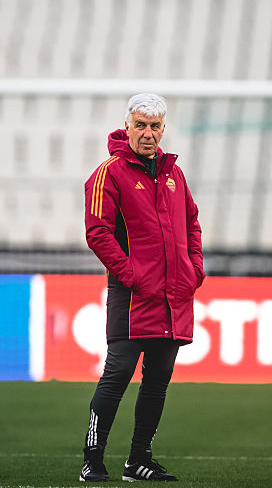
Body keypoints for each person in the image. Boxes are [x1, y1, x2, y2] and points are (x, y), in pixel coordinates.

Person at [79, 93, 205, 483]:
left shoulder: (174, 174)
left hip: (173, 296)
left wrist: (194, 270)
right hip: (132, 296)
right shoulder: (109, 173)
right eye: (140, 125)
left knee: (157, 379)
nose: (148, 133)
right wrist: (131, 275)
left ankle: (138, 460)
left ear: (163, 129)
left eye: (155, 126)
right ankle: (92, 460)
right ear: (128, 127)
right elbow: (98, 233)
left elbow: (192, 224)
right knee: (117, 373)